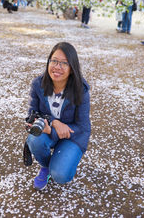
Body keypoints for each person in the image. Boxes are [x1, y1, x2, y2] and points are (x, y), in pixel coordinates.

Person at [25, 42, 91, 190]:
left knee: (61, 175)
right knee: (34, 139)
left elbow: (83, 128)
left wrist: (54, 131)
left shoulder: (81, 90)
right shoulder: (38, 84)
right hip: (48, 132)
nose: (57, 67)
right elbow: (32, 114)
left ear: (72, 68)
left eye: (64, 63)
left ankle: (60, 160)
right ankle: (46, 166)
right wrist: (53, 123)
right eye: (54, 61)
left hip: (72, 137)